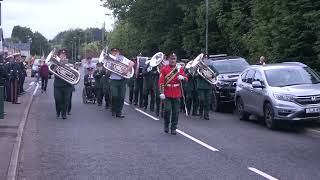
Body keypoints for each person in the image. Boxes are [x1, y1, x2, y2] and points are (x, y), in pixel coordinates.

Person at [159, 53, 188, 135]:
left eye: (174, 59)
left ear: (176, 60)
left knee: (176, 111)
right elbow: (161, 81)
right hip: (167, 92)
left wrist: (183, 78)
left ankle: (173, 128)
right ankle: (166, 125)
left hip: (176, 92)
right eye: (171, 59)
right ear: (168, 60)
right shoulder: (164, 69)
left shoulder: (179, 69)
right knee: (167, 110)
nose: (173, 60)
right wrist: (162, 92)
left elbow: (186, 78)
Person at [107, 48, 134, 118]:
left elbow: (132, 63)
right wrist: (111, 68)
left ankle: (119, 112)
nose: (115, 53)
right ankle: (113, 110)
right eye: (113, 52)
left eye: (116, 51)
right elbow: (108, 72)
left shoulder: (123, 58)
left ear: (119, 52)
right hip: (113, 80)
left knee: (121, 97)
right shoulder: (110, 60)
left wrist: (127, 70)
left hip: (122, 80)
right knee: (115, 96)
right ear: (111, 53)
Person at [53, 49, 73, 119]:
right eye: (61, 55)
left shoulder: (70, 63)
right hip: (57, 85)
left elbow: (73, 74)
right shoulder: (55, 63)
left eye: (64, 55)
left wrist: (70, 69)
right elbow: (51, 72)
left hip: (67, 85)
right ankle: (58, 111)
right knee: (58, 99)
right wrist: (55, 66)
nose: (63, 56)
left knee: (66, 100)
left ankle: (64, 113)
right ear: (59, 56)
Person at [196, 54, 216, 120]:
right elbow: (194, 75)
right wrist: (199, 73)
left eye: (207, 58)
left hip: (208, 86)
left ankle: (206, 114)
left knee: (208, 101)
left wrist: (212, 76)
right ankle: (201, 111)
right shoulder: (198, 67)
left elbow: (217, 73)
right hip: (201, 86)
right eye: (204, 58)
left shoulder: (210, 66)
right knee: (202, 99)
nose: (205, 60)